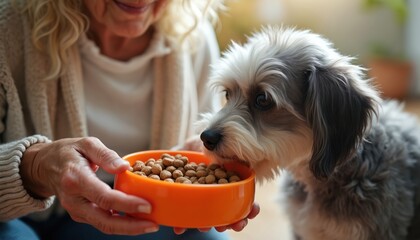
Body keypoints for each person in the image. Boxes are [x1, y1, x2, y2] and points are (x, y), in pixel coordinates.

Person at [0, 0, 260, 239]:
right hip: (30, 219)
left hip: (153, 215)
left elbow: (201, 153)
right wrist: (36, 168)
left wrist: (215, 172)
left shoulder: (193, 36)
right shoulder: (8, 27)